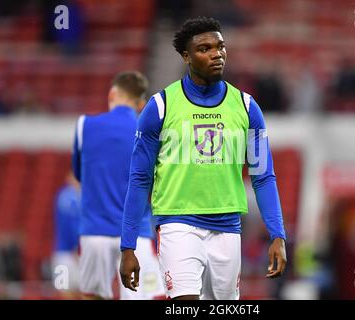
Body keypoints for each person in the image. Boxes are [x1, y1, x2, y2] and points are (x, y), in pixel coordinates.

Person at [120, 17, 287, 300]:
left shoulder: (247, 108)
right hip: (177, 224)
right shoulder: (160, 107)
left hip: (227, 228)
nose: (216, 54)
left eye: (220, 47)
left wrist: (278, 234)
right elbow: (139, 178)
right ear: (186, 56)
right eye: (205, 48)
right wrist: (128, 246)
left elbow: (263, 175)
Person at [72, 71, 164, 300]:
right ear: (142, 104)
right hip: (137, 234)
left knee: (92, 295)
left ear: (112, 93)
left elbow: (79, 174)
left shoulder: (85, 125)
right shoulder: (152, 134)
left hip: (95, 231)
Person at [51, 171, 81, 298]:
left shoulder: (61, 195)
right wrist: (76, 246)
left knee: (63, 292)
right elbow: (72, 224)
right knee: (81, 292)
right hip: (72, 254)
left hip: (60, 253)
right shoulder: (72, 196)